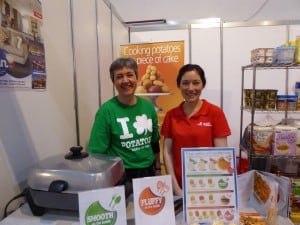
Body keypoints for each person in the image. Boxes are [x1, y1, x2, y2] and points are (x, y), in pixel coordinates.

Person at [88, 57, 161, 197]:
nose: (125, 80)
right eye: (119, 77)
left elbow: (154, 143)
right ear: (113, 81)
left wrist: (158, 169)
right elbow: (96, 153)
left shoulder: (148, 107)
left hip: (148, 173)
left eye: (129, 75)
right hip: (121, 176)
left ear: (137, 77)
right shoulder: (106, 111)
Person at [160, 64, 231, 196]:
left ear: (203, 85)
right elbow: (167, 153)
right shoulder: (171, 115)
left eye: (196, 83)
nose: (190, 88)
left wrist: (217, 187)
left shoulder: (215, 113)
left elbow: (222, 154)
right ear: (179, 85)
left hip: (208, 187)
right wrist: (176, 188)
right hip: (179, 187)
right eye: (185, 83)